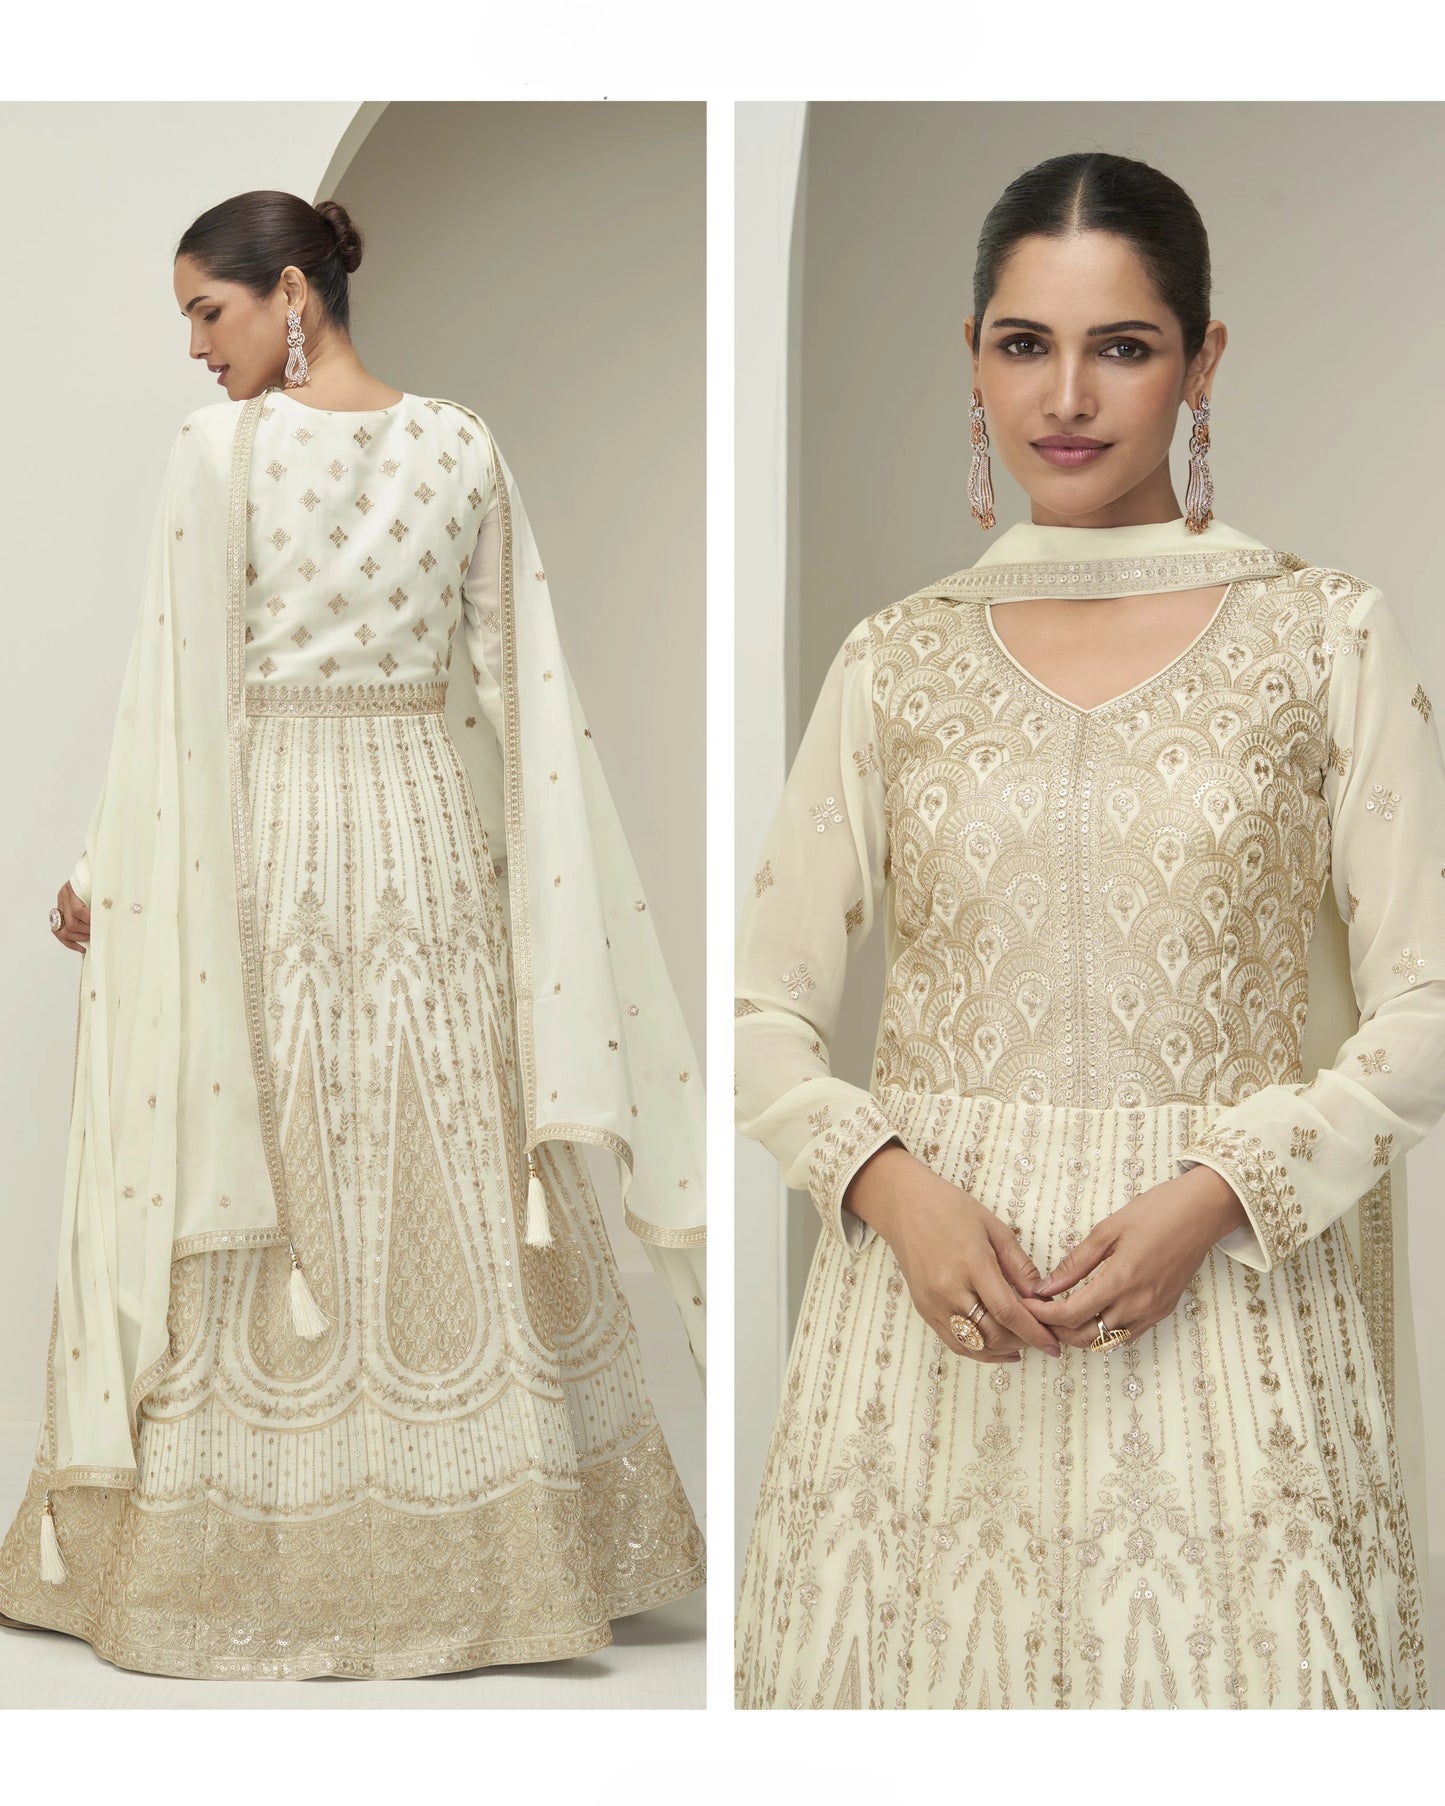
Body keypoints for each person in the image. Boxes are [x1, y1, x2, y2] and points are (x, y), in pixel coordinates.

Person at [734, 150, 1438, 1709]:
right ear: (971, 356)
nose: (1064, 395)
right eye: (1019, 342)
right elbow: (760, 1009)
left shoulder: (1319, 631)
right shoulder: (895, 658)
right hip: (924, 1338)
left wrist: (1219, 1189)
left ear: (1200, 362)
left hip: (1230, 1317)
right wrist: (888, 1186)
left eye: (1120, 345)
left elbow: (1427, 1001)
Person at [0, 190, 705, 1681]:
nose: (197, 347)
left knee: (288, 1142)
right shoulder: (465, 443)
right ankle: (500, 1548)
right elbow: (517, 687)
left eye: (210, 311)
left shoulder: (219, 456)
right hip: (431, 837)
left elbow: (172, 687)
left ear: (292, 294)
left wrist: (105, 863)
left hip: (271, 838)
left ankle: (263, 1555)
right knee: (439, 1142)